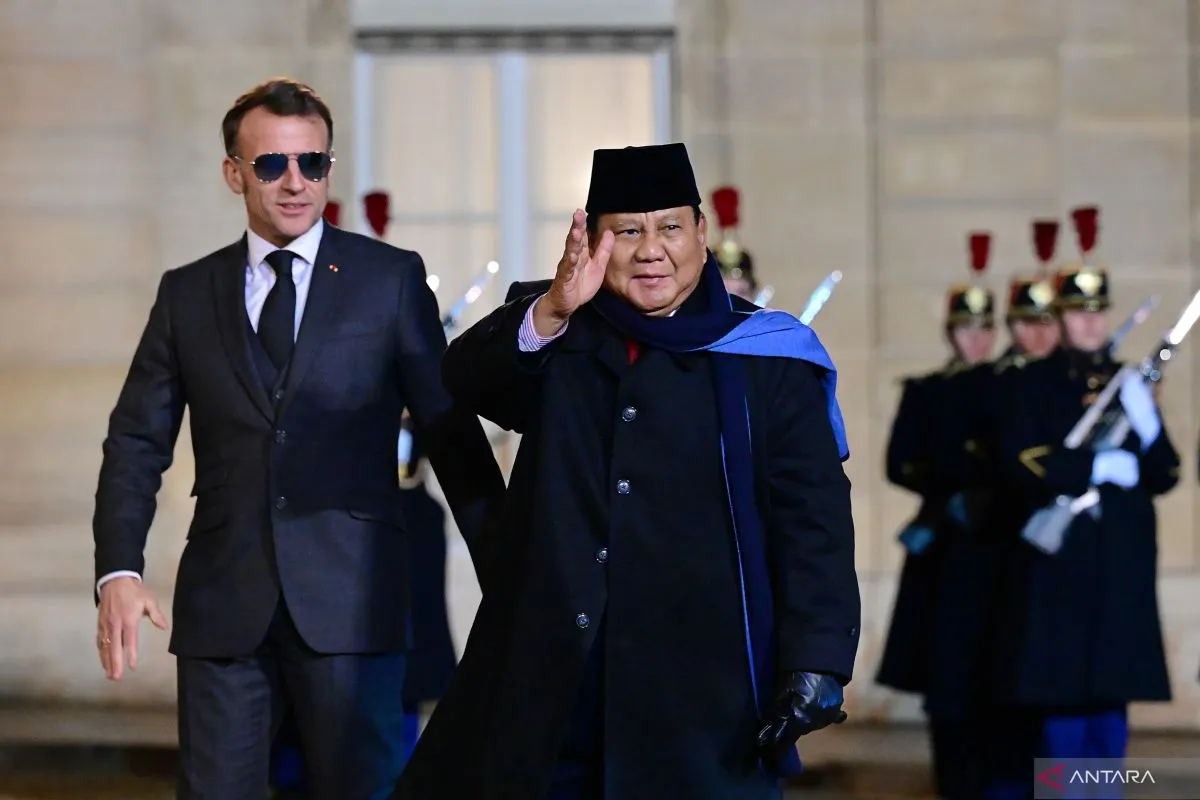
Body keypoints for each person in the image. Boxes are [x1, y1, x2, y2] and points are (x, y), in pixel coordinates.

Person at [395, 143, 859, 799]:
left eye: (670, 228)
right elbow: (465, 379)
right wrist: (554, 308)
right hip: (558, 682)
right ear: (594, 242)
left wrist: (817, 657)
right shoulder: (557, 329)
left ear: (701, 233)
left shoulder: (769, 356)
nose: (652, 251)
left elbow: (814, 522)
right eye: (628, 232)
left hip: (707, 689)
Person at [91, 77, 503, 800]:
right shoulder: (187, 294)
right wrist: (118, 571)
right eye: (272, 164)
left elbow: (450, 431)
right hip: (224, 609)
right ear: (234, 174)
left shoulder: (389, 280)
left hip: (354, 602)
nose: (294, 182)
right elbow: (135, 441)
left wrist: (509, 570)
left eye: (312, 163)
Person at [997, 206, 1179, 766]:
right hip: (1064, 565)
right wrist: (1093, 469)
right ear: (1061, 318)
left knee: (1110, 710)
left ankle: (1104, 795)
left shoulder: (1126, 383)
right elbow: (1021, 461)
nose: (1091, 324)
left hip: (1119, 563)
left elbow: (1165, 473)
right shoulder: (1034, 383)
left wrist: (1147, 424)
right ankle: (1065, 796)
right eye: (1079, 313)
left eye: (1098, 313)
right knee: (1063, 712)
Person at [876, 232, 997, 800]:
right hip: (946, 547)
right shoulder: (928, 392)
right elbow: (900, 462)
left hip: (996, 546)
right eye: (967, 328)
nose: (977, 339)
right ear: (951, 333)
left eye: (985, 328)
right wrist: (951, 480)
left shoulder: (1009, 387)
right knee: (945, 678)